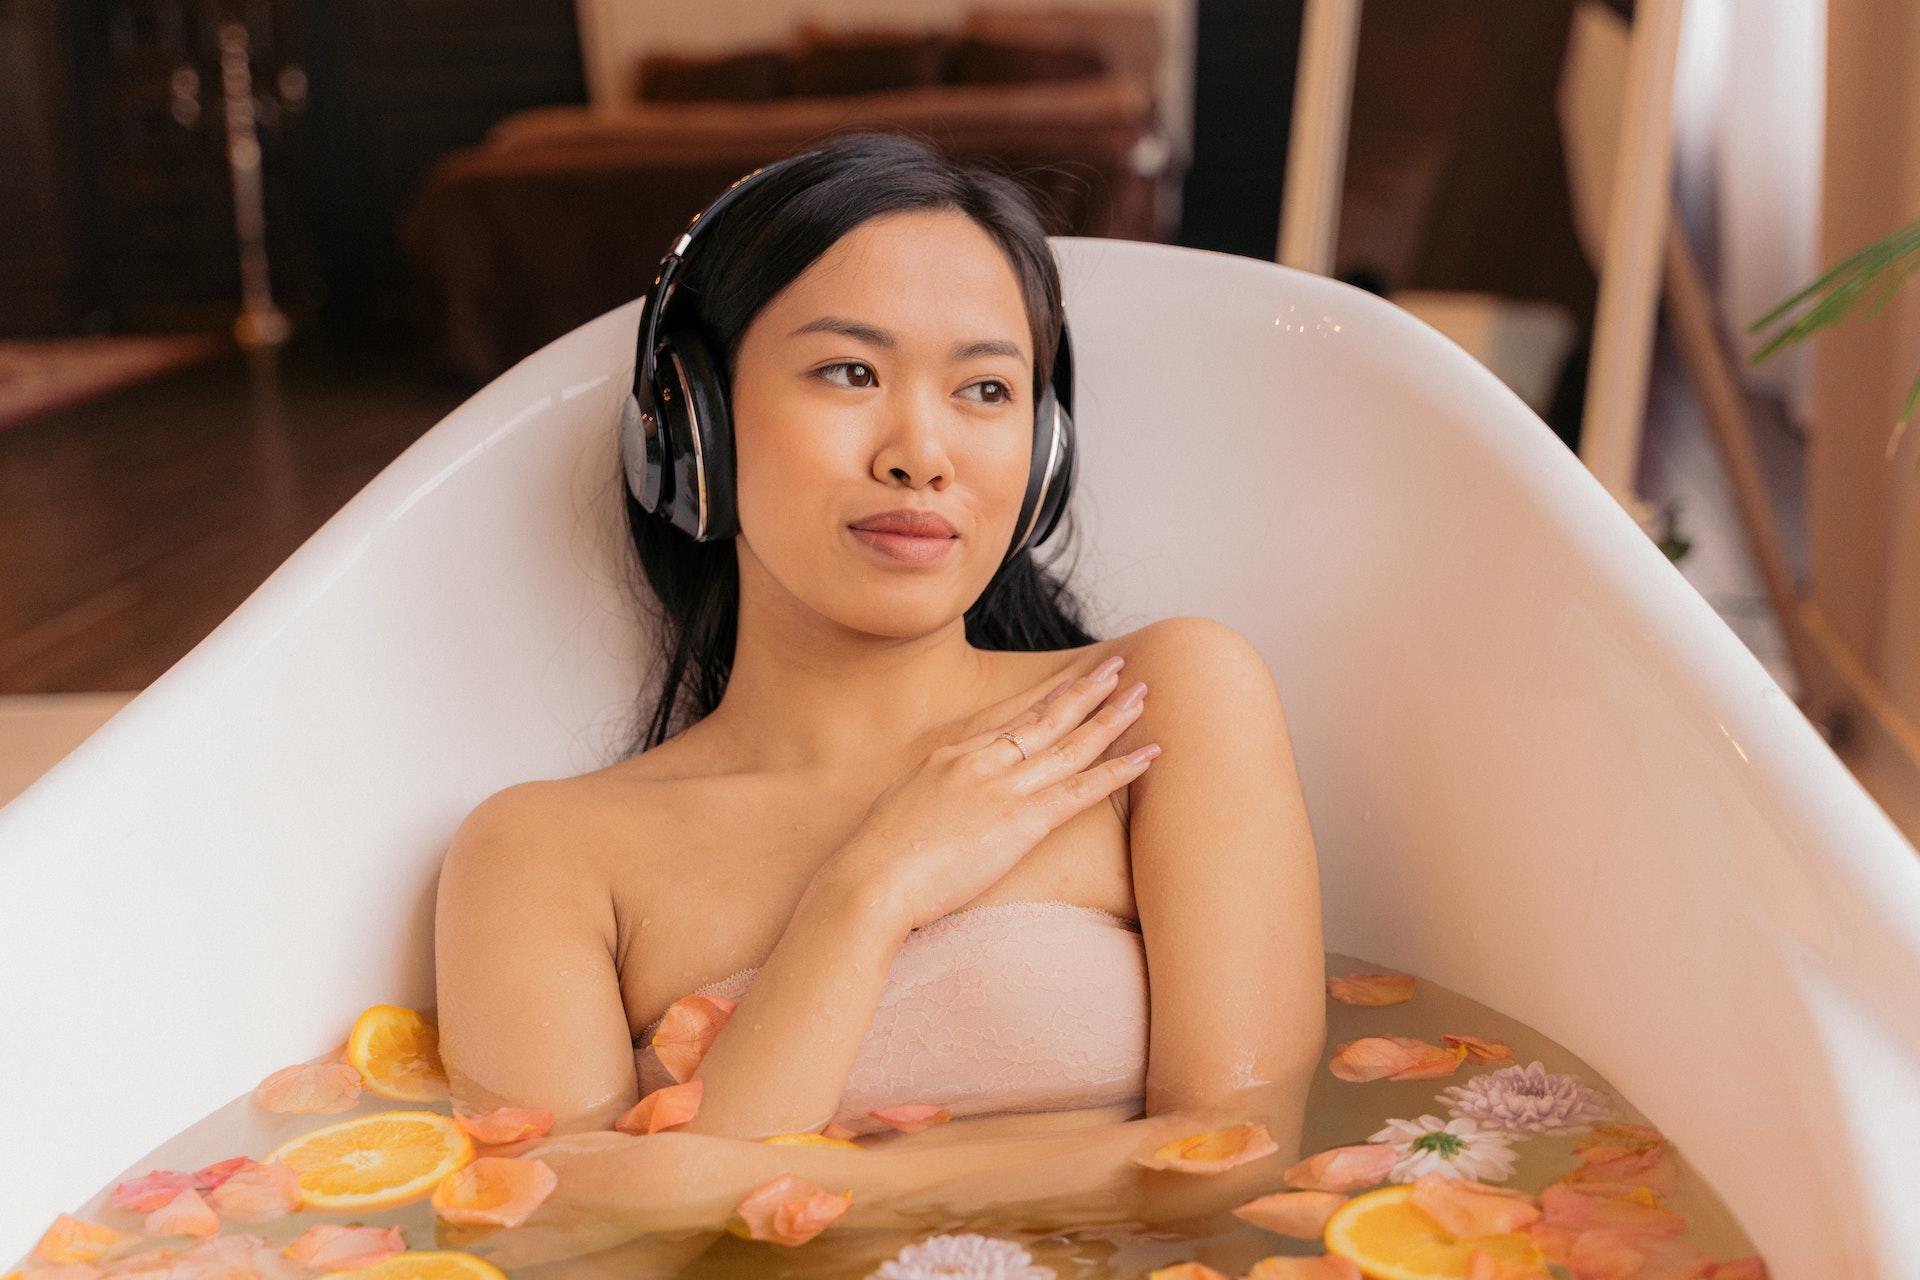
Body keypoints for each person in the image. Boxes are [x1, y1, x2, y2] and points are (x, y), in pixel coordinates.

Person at [431, 128, 1326, 1276]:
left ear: (1043, 455)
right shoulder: (541, 851)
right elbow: (584, 1250)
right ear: (698, 422)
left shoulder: (1155, 705)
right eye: (850, 372)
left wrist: (757, 1180)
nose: (922, 453)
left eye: (986, 388)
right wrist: (870, 891)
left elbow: (1240, 1158)